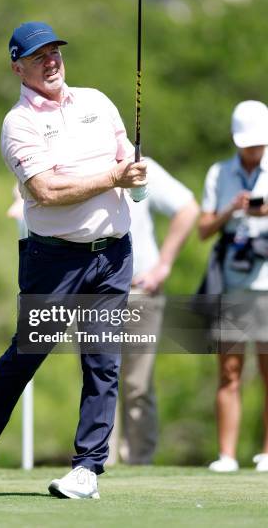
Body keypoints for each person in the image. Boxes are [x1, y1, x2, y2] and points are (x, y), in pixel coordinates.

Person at [0, 21, 148, 499]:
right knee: (26, 356)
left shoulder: (99, 102)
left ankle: (87, 470)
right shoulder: (18, 122)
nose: (52, 61)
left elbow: (132, 169)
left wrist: (137, 178)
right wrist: (115, 179)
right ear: (18, 67)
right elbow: (46, 190)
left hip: (113, 254)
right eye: (39, 56)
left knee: (103, 361)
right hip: (54, 260)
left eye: (56, 52)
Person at [108, 158, 199, 465]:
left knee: (138, 385)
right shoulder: (81, 164)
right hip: (95, 293)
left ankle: (138, 461)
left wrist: (164, 265)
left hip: (139, 290)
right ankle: (97, 460)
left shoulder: (140, 167)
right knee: (97, 379)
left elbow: (187, 208)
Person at [198, 100, 268, 472]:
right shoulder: (219, 173)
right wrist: (230, 210)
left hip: (267, 280)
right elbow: (203, 229)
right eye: (248, 143)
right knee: (229, 369)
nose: (254, 150)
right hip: (232, 280)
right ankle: (226, 455)